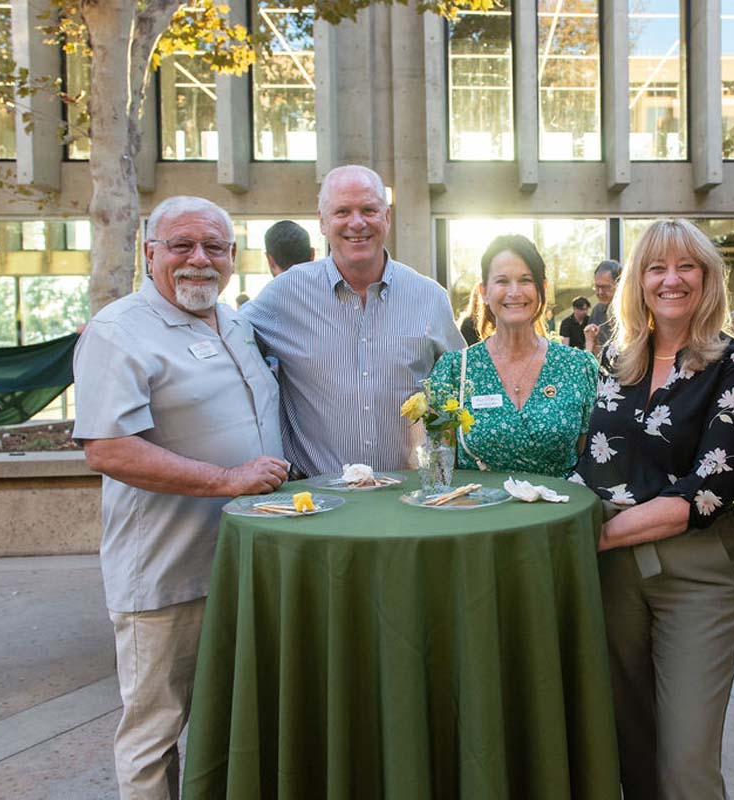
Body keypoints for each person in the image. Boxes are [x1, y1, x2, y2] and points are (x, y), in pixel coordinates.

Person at [73, 196, 287, 799]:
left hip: (244, 563)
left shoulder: (236, 323)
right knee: (154, 729)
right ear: (149, 254)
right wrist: (226, 481)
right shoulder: (117, 332)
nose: (199, 260)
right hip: (167, 574)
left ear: (233, 258)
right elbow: (108, 449)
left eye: (214, 247)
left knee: (231, 724)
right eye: (182, 246)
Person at [573, 219, 734, 800]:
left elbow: (709, 488)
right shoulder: (617, 359)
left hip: (695, 575)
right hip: (615, 582)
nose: (671, 280)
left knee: (686, 765)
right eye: (656, 267)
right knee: (633, 750)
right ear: (639, 281)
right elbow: (591, 469)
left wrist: (595, 539)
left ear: (707, 279)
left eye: (686, 267)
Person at [243, 165, 464, 475]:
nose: (356, 223)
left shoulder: (429, 297)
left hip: (408, 499)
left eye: (369, 210)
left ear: (386, 217)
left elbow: (460, 387)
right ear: (322, 221)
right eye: (342, 211)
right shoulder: (284, 295)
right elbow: (229, 341)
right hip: (319, 501)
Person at [429, 235, 598, 477]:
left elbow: (588, 458)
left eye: (526, 280)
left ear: (543, 289)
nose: (515, 292)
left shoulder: (578, 367)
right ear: (484, 292)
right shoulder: (454, 370)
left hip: (561, 511)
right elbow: (438, 466)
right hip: (479, 512)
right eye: (502, 281)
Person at [585, 259, 620, 354]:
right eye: (597, 287)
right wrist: (592, 342)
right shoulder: (597, 311)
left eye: (605, 287)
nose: (600, 292)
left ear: (619, 284)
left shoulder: (634, 311)